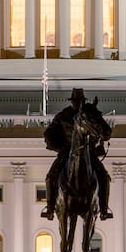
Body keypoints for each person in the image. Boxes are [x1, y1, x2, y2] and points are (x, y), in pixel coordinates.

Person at [41, 88, 113, 220]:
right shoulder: (63, 115)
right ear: (72, 102)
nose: (78, 104)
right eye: (76, 101)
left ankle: (103, 208)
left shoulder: (89, 114)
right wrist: (59, 147)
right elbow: (48, 133)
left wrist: (99, 144)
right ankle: (50, 208)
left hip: (88, 152)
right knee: (51, 177)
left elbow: (101, 129)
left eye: (80, 101)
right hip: (67, 152)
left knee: (104, 177)